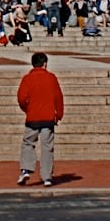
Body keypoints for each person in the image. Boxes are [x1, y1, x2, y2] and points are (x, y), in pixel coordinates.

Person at [16, 51, 64, 187]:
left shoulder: (27, 79)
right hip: (48, 117)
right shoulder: (51, 78)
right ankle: (47, 176)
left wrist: (26, 109)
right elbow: (58, 97)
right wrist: (59, 114)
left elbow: (21, 97)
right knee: (47, 147)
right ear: (45, 64)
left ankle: (26, 169)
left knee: (28, 143)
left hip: (33, 117)